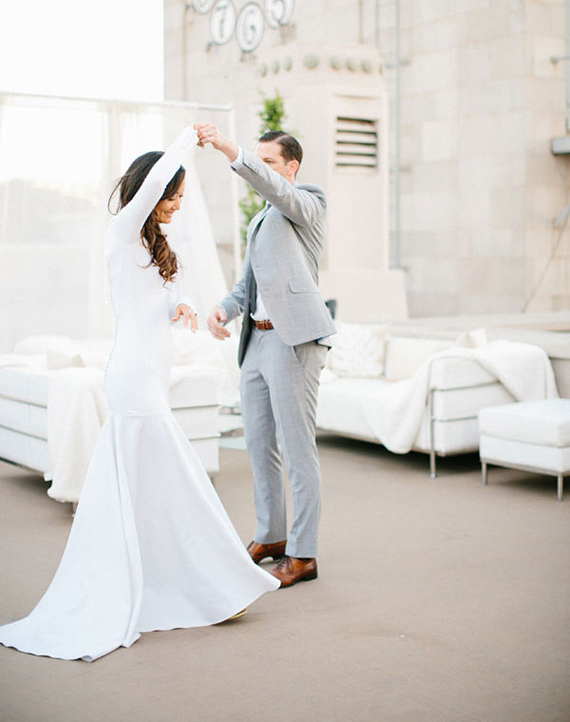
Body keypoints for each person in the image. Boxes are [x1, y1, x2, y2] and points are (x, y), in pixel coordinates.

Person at [0, 126, 279, 662]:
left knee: (157, 478)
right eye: (172, 195)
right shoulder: (123, 231)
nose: (176, 204)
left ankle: (194, 581)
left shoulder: (155, 245)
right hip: (132, 374)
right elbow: (151, 189)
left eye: (180, 196)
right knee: (175, 471)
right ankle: (215, 581)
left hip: (154, 370)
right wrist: (186, 142)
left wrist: (181, 307)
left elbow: (158, 302)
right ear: (152, 190)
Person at [197, 123, 336, 588]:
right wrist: (224, 308)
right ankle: (271, 535)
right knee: (258, 445)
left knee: (297, 451)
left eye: (269, 161)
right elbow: (248, 283)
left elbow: (277, 190)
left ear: (291, 167)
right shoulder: (261, 219)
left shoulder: (307, 201)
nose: (262, 167)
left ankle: (303, 553)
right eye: (258, 160)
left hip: (294, 341)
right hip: (256, 343)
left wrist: (230, 150)